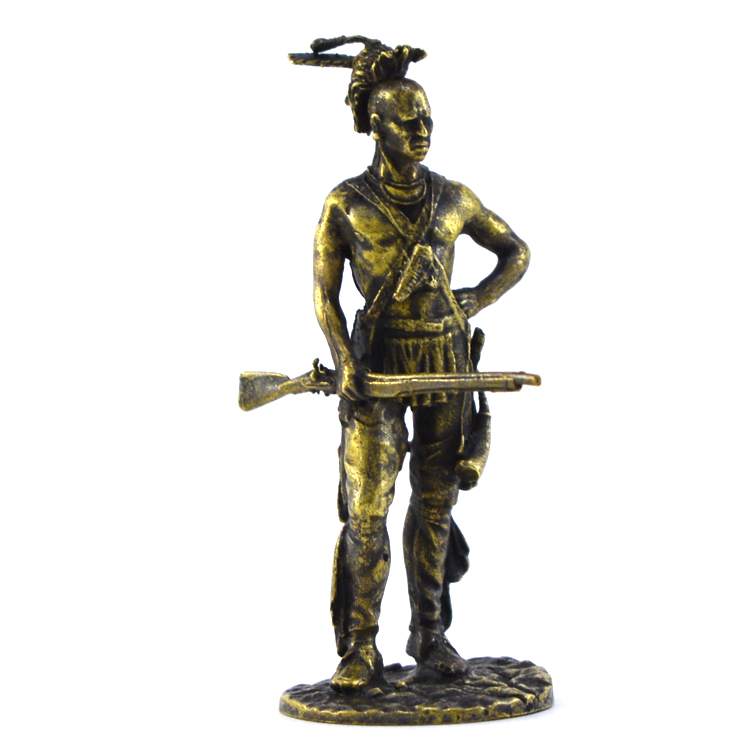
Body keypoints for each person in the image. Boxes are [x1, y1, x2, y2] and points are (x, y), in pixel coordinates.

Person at [308, 48, 530, 693]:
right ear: (376, 127)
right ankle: (360, 647)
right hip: (376, 366)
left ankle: (429, 634)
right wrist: (343, 360)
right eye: (408, 121)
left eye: (427, 117)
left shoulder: (454, 198)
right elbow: (324, 294)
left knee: (436, 502)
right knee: (367, 510)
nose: (422, 130)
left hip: (446, 361)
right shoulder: (345, 203)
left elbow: (516, 251)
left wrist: (474, 300)